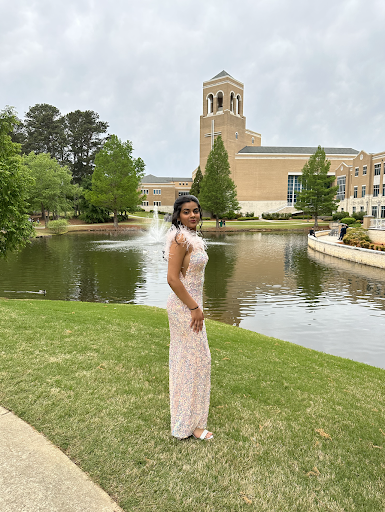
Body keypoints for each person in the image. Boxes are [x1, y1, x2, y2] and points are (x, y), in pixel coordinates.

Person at [164, 195, 212, 441]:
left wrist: (197, 306)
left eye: (195, 211)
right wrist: (194, 308)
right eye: (186, 212)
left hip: (192, 305)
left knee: (196, 362)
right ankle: (187, 424)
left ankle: (193, 421)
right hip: (184, 308)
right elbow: (173, 280)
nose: (193, 215)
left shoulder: (193, 239)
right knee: (191, 363)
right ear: (178, 215)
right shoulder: (180, 239)